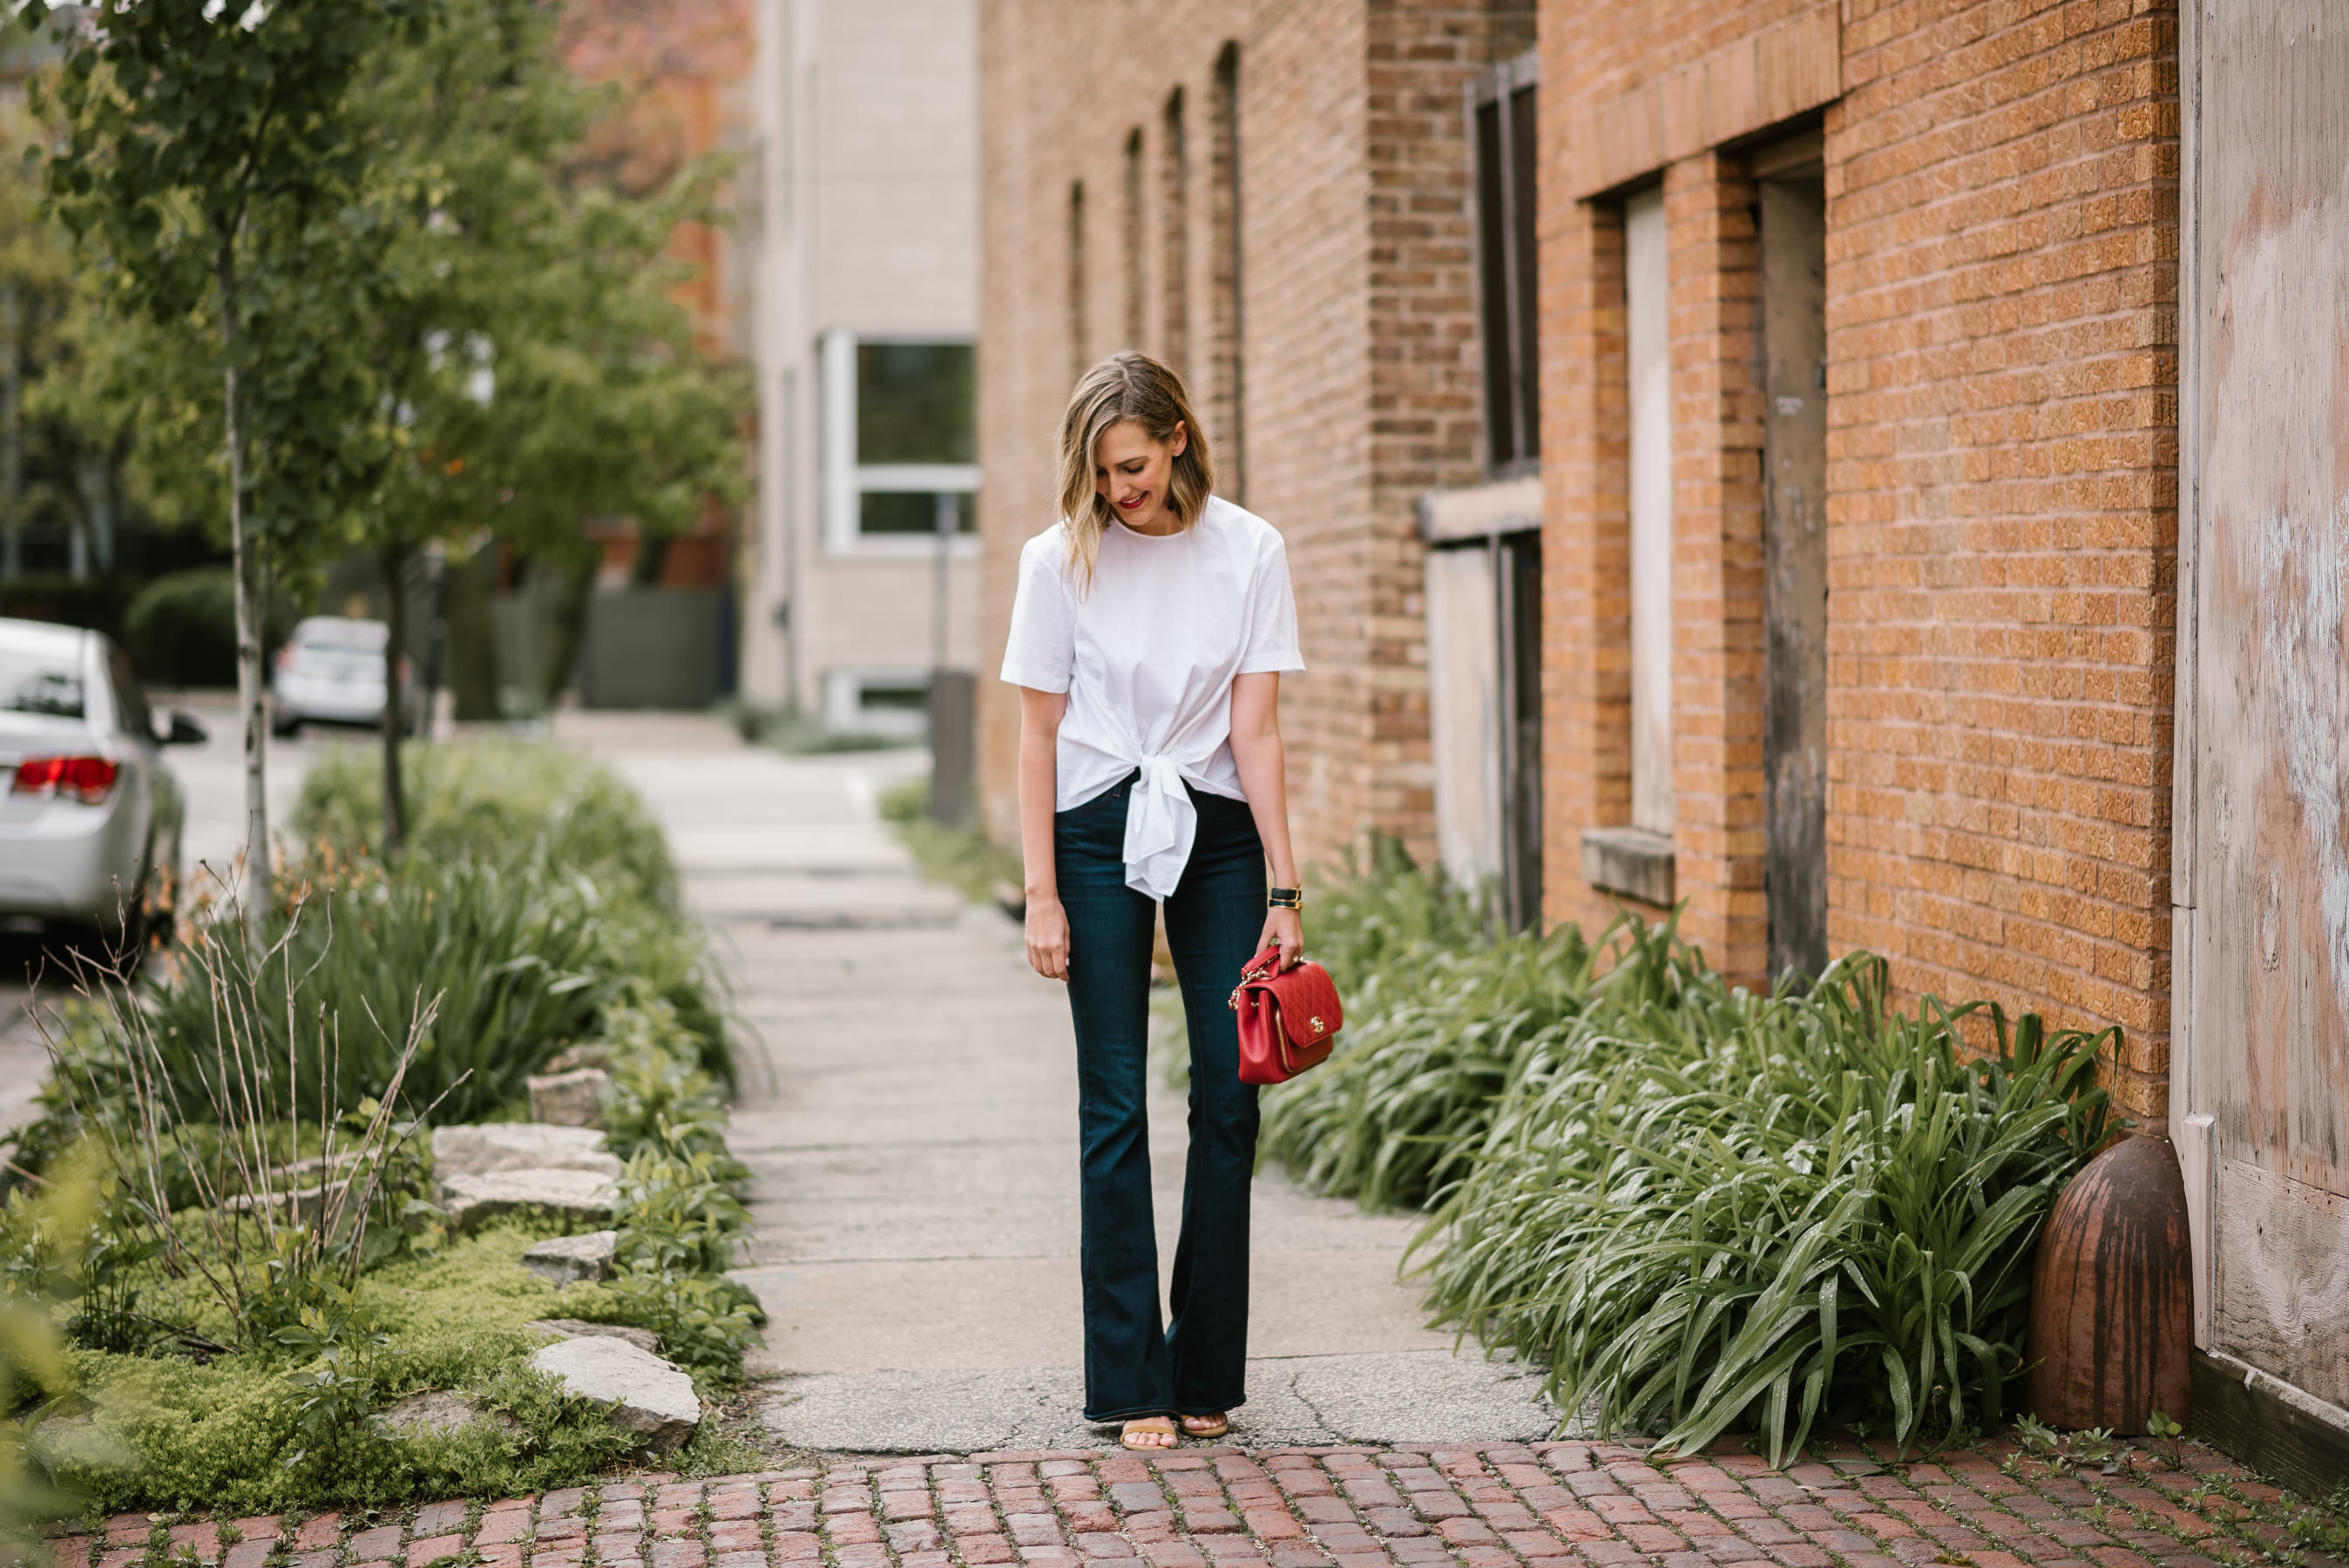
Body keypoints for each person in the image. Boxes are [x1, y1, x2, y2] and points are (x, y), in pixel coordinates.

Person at [1000, 350, 1308, 1452]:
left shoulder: (1250, 550)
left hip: (1217, 830)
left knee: (1230, 1096)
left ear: (1177, 436)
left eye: (1130, 466)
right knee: (1114, 1102)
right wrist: (1041, 894)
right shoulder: (1057, 560)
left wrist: (1283, 886)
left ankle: (1204, 1368)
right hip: (1091, 826)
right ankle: (1130, 1381)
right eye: (1098, 475)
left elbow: (1257, 732)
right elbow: (1035, 736)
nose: (1116, 493)